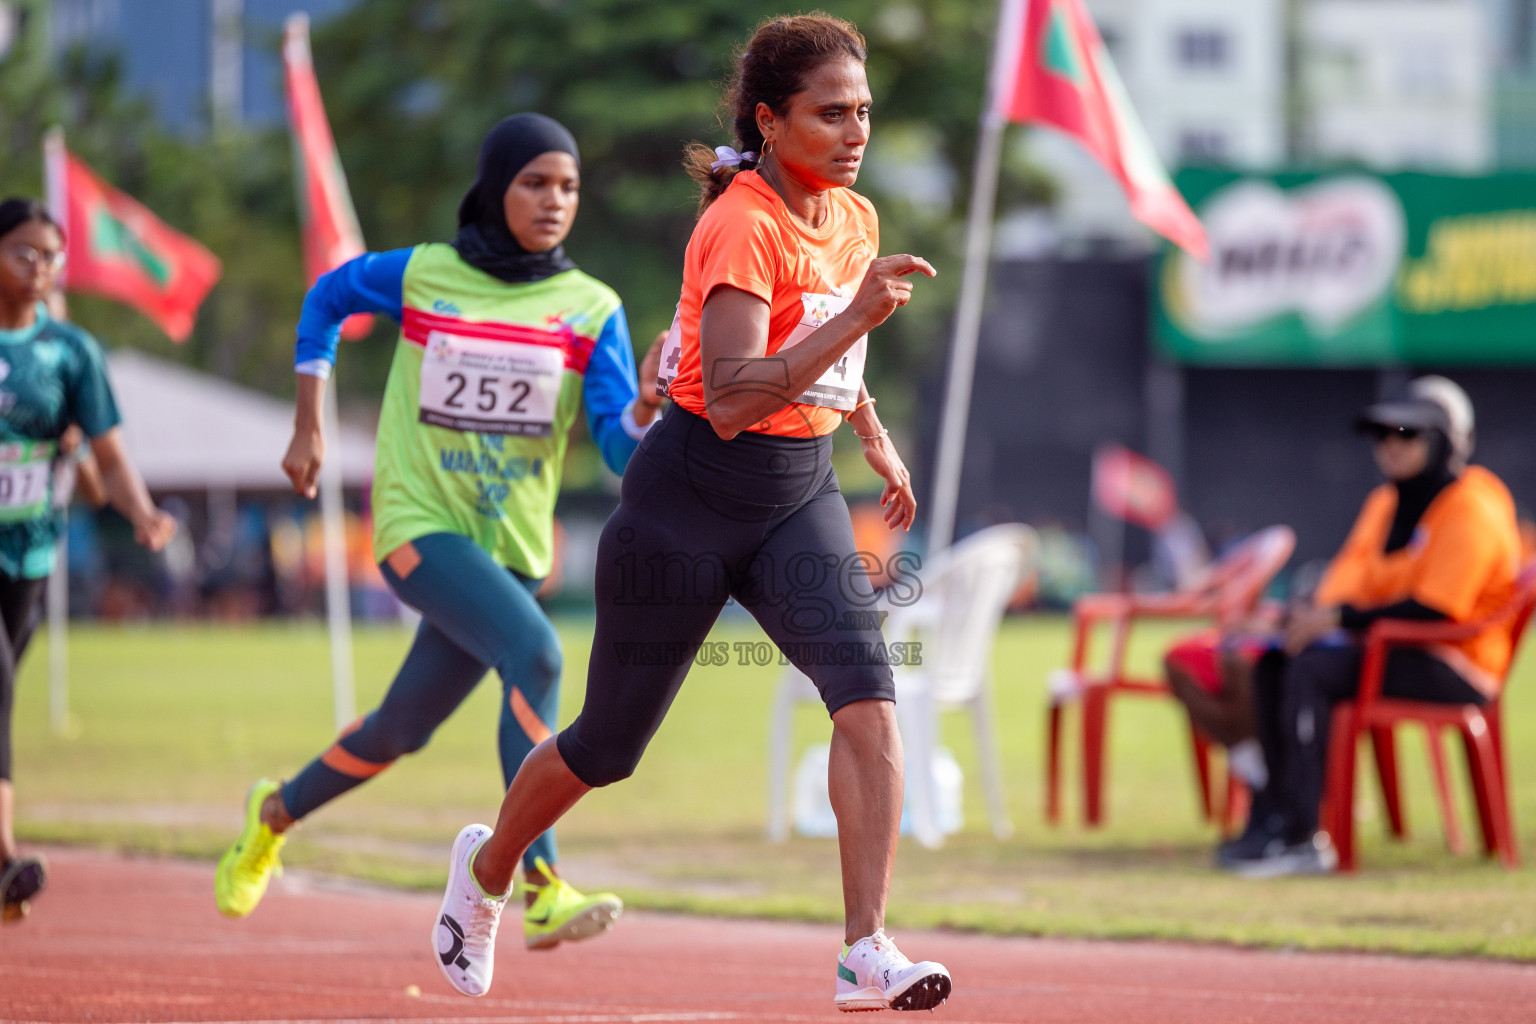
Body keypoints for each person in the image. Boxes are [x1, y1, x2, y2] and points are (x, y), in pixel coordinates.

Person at [430, 15, 951, 1013]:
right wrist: (858, 318)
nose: (855, 132)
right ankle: (488, 868)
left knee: (869, 696)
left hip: (799, 492)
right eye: (831, 113)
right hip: (689, 499)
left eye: (866, 112)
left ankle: (867, 948)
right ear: (769, 119)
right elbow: (740, 387)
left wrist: (872, 427)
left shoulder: (856, 216)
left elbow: (826, 347)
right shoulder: (741, 223)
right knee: (607, 746)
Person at [213, 115, 665, 954]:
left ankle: (272, 813)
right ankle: (539, 883)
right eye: (535, 182)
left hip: (513, 551)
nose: (553, 200)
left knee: (400, 730)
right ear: (496, 188)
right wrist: (308, 423)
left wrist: (645, 408)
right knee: (539, 655)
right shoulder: (425, 274)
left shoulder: (592, 307)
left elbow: (613, 444)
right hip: (418, 526)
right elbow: (327, 298)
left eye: (567, 186)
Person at [1218, 376, 1522, 877]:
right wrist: (1310, 616)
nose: (1391, 445)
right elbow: (1344, 583)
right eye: (1382, 435)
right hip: (1389, 646)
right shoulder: (1388, 504)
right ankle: (1277, 818)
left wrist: (1336, 620)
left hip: (1455, 663)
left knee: (1311, 671)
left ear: (1445, 440)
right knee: (1274, 662)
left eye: (1407, 433)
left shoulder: (1473, 505)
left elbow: (1437, 609)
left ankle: (1304, 837)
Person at [0, 198, 177, 922]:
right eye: (23, 252)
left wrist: (142, 511)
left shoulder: (71, 352)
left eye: (51, 256)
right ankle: (5, 855)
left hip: (30, 554)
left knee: (3, 690)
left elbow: (110, 456)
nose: (39, 268)